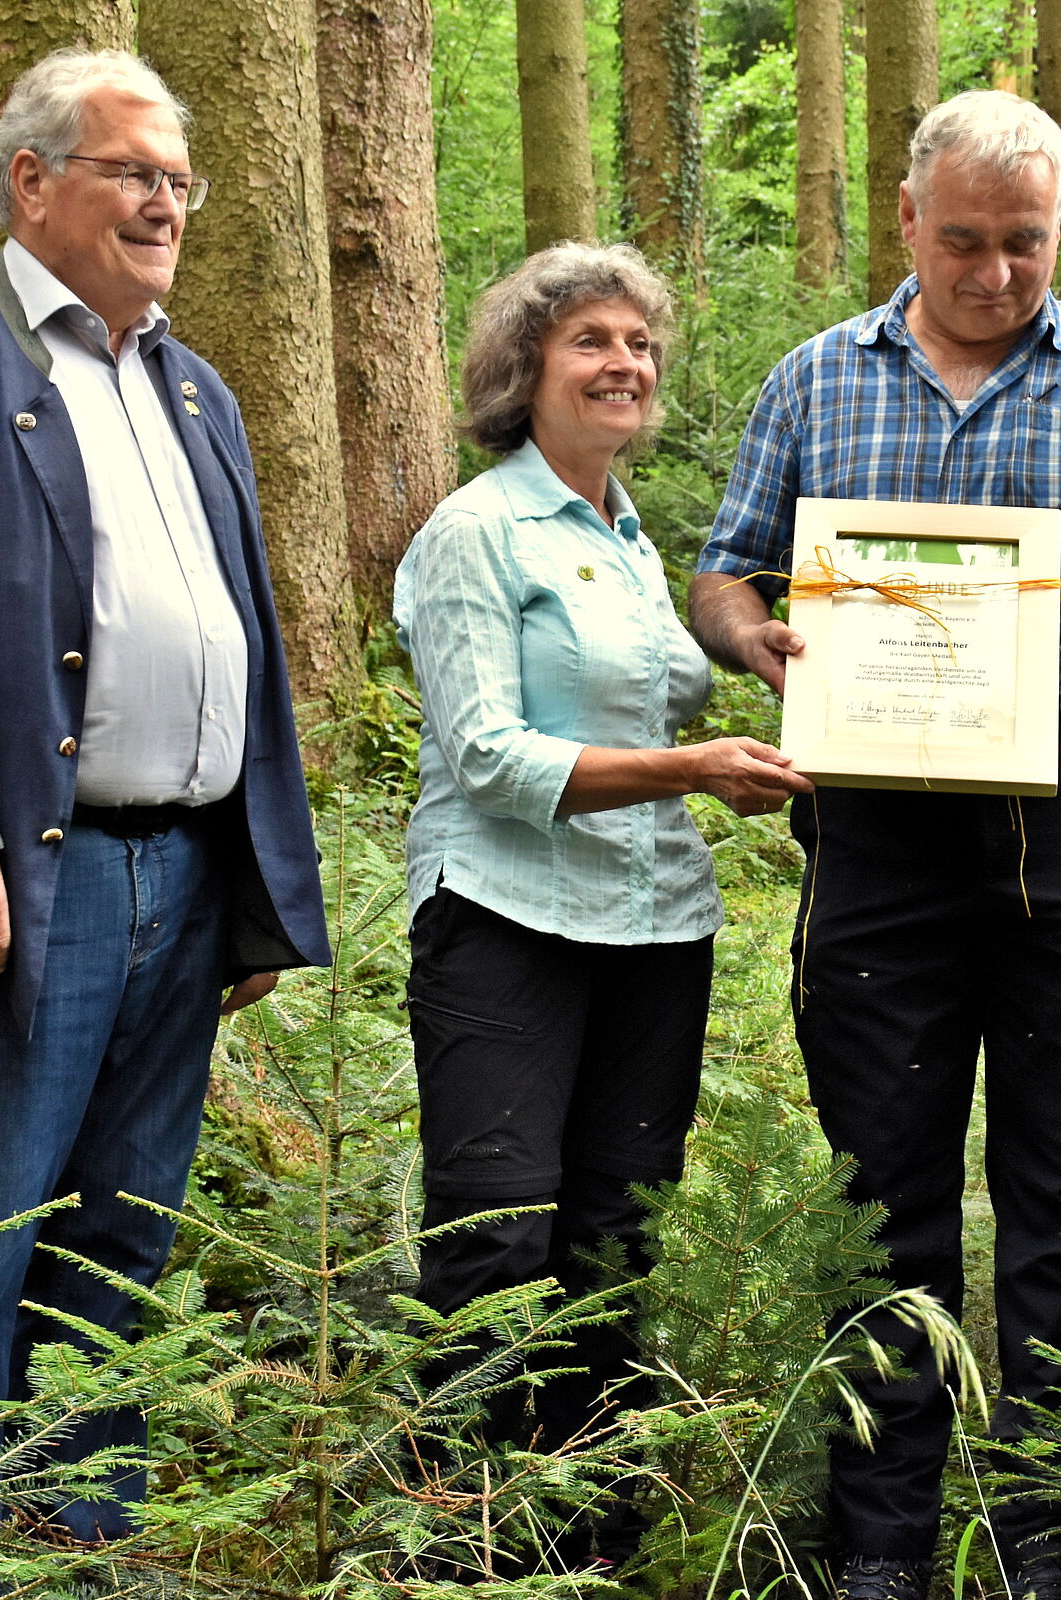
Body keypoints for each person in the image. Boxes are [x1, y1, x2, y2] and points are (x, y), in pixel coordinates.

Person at [691, 91, 1061, 1600]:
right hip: (875, 832)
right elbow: (726, 570)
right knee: (885, 1196)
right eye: (965, 243)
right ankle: (882, 1544)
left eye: (1027, 243)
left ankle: (1044, 1532)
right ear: (906, 218)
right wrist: (766, 645)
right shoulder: (816, 379)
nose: (997, 274)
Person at [0, 47, 330, 1560]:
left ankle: (77, 1547)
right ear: (30, 182)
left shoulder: (193, 381)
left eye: (179, 179)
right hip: (24, 883)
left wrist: (249, 883)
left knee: (119, 1244)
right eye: (132, 172)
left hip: (179, 874)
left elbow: (244, 640)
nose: (166, 202)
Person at [393, 241, 812, 1575]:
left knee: (616, 1240)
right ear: (526, 371)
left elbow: (660, 701)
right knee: (495, 1233)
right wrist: (692, 769)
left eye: (638, 343)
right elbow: (488, 758)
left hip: (654, 927)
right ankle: (466, 1528)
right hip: (504, 919)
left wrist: (788, 677)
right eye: (591, 342)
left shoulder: (629, 537)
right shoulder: (475, 531)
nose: (624, 363)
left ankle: (591, 1529)